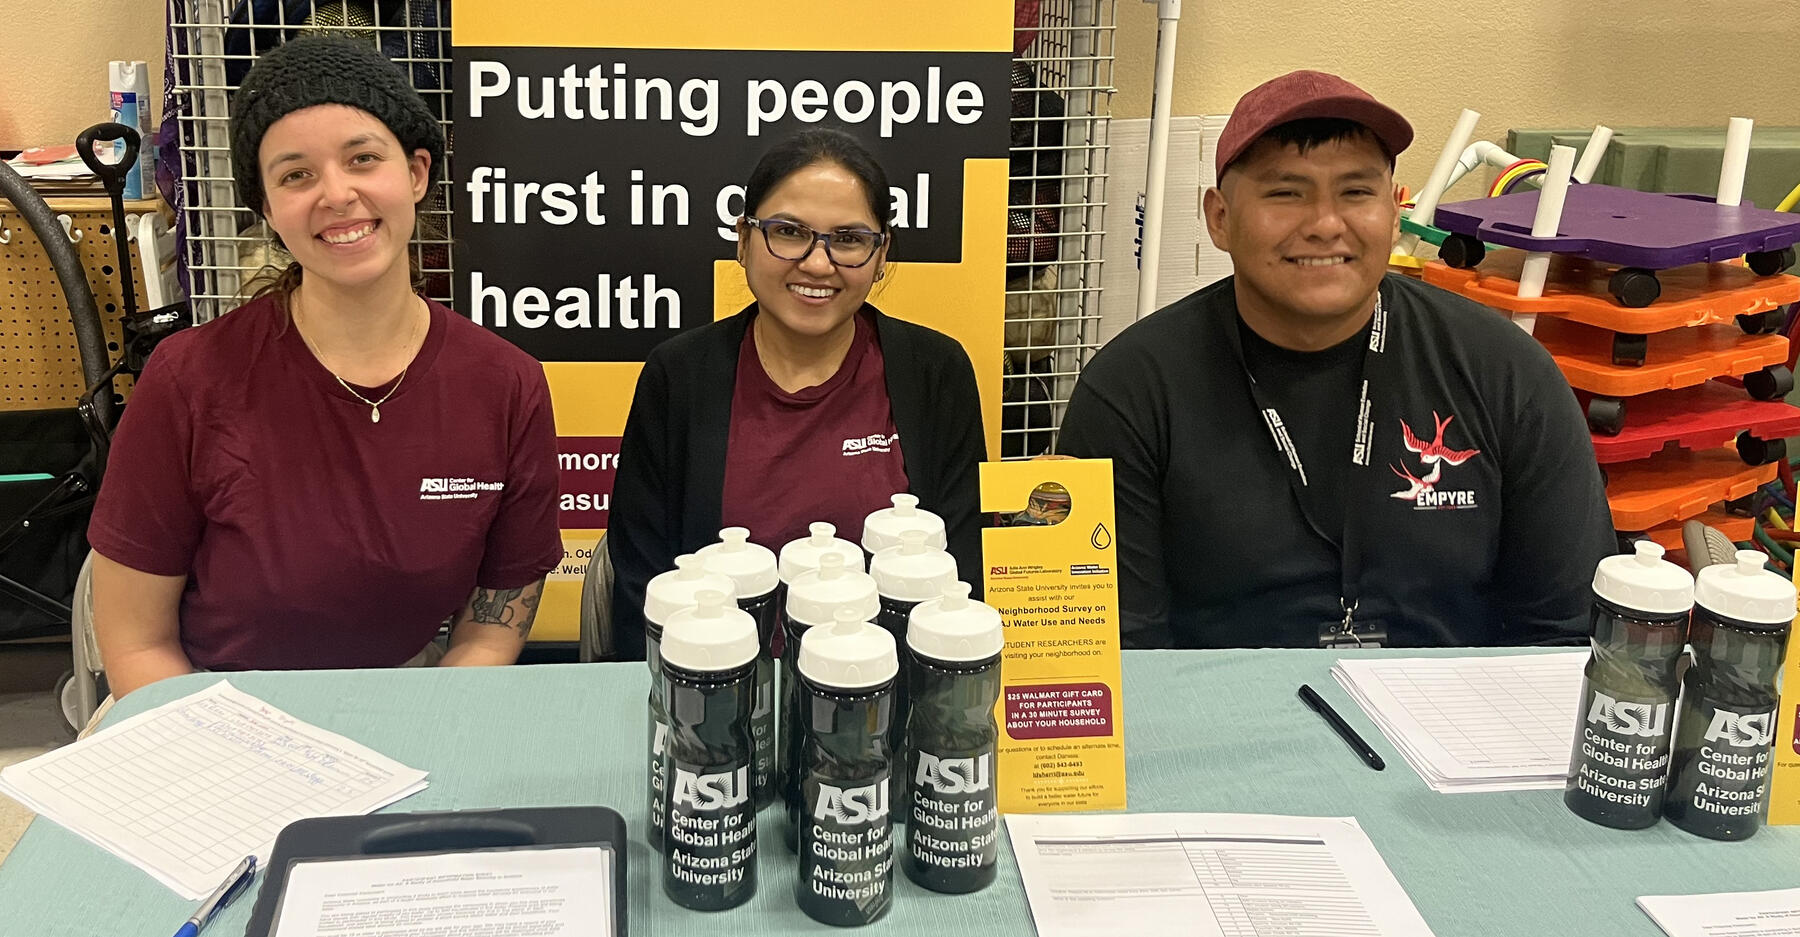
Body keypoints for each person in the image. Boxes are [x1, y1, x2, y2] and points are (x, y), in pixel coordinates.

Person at [1057, 70, 1615, 649]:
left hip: (1454, 722)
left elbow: (1567, 630)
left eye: (1355, 192)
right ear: (1219, 218)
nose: (1325, 225)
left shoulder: (1505, 371)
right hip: (1218, 721)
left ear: (1396, 212)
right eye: (1285, 193)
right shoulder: (1132, 391)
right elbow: (1115, 656)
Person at [87, 35, 562, 700]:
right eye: (296, 175)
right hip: (208, 709)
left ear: (417, 173)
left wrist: (429, 720)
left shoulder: (505, 384)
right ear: (267, 211)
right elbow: (138, 642)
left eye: (363, 159)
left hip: (413, 700)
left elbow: (490, 628)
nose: (337, 194)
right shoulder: (188, 380)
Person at [608, 128, 985, 659]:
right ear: (743, 239)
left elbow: (962, 576)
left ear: (881, 256)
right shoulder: (679, 376)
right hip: (717, 708)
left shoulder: (935, 372)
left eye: (849, 239)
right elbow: (642, 588)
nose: (816, 263)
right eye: (788, 231)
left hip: (885, 710)